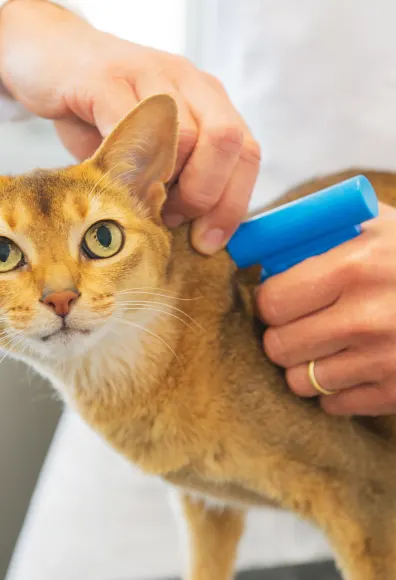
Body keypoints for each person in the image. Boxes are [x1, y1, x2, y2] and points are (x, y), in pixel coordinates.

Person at [3, 1, 396, 579]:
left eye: (99, 239)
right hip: (212, 223)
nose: (58, 293)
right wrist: (28, 30)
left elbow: (372, 497)